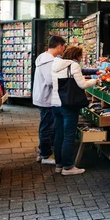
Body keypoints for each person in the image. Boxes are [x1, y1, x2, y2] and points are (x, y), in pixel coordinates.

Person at [51, 46, 97, 175]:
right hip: (68, 104)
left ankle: (59, 165)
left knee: (59, 134)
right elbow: (82, 84)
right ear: (77, 56)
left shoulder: (55, 63)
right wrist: (95, 80)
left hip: (55, 102)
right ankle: (68, 167)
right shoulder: (73, 65)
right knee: (69, 135)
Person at [33, 36, 66, 165]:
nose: (64, 49)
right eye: (63, 47)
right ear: (59, 46)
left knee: (45, 124)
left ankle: (42, 151)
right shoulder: (49, 61)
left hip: (43, 97)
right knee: (47, 126)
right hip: (46, 98)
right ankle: (45, 155)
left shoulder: (44, 58)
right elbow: (50, 80)